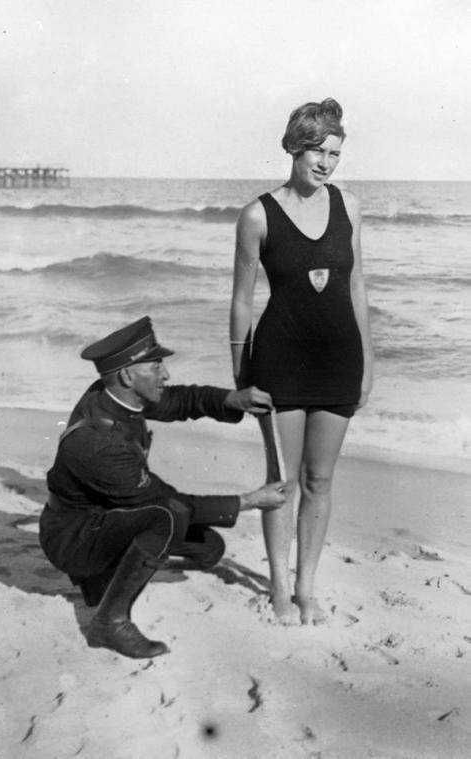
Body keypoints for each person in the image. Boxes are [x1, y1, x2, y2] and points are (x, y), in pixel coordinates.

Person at [39, 316, 285, 659]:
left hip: (106, 515)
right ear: (128, 376)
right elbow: (167, 501)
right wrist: (249, 501)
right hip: (74, 538)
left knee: (210, 548)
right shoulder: (97, 439)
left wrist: (232, 399)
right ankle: (109, 622)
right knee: (166, 517)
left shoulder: (117, 394)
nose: (166, 375)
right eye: (156, 367)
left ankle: (116, 569)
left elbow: (180, 401)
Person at [230, 98, 373, 625]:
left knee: (320, 481)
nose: (326, 163)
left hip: (339, 359)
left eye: (335, 154)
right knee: (283, 482)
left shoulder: (349, 206)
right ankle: (278, 588)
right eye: (318, 152)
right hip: (279, 361)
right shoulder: (257, 215)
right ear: (295, 147)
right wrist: (240, 373)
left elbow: (357, 286)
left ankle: (306, 588)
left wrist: (369, 361)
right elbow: (242, 300)